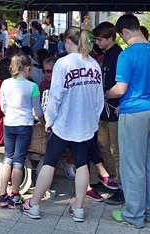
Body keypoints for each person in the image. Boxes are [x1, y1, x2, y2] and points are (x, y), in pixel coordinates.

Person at [21, 27, 104, 223]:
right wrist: (93, 120)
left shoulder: (63, 63)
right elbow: (99, 98)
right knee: (82, 163)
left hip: (64, 123)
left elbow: (55, 96)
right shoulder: (93, 64)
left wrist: (49, 120)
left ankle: (34, 205)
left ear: (67, 41)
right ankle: (79, 209)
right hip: (86, 124)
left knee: (50, 161)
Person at [106, 14, 150, 228]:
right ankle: (149, 212)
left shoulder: (127, 55)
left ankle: (133, 214)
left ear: (125, 32)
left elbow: (120, 89)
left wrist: (105, 93)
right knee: (149, 164)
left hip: (134, 113)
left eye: (121, 37)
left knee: (132, 165)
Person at [0, 54, 43, 210]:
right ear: (28, 68)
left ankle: (2, 195)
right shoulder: (33, 86)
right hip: (24, 125)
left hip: (9, 123)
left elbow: (2, 107)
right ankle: (15, 195)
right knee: (18, 160)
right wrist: (43, 122)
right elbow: (38, 110)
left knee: (7, 158)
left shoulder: (5, 84)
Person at [93, 21, 124, 205]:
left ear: (110, 38)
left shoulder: (119, 55)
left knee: (116, 148)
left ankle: (120, 186)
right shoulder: (106, 54)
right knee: (103, 144)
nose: (97, 43)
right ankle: (109, 179)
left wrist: (121, 102)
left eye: (99, 39)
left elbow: (123, 84)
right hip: (103, 108)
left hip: (115, 107)